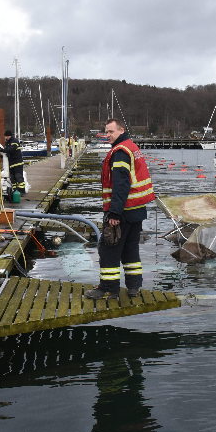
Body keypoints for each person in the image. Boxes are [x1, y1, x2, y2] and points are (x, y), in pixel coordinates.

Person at [85, 119, 155, 299]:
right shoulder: (131, 147)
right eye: (106, 132)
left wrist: (114, 213)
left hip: (122, 211)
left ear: (121, 130)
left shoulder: (120, 152)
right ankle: (133, 287)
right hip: (137, 210)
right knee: (130, 249)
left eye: (110, 132)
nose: (107, 135)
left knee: (108, 250)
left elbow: (121, 184)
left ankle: (108, 289)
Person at [2, 130, 25, 195]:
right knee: (13, 178)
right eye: (5, 136)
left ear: (9, 136)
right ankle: (15, 191)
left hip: (17, 163)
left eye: (6, 136)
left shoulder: (14, 141)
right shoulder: (8, 142)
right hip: (11, 163)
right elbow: (8, 152)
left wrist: (3, 150)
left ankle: (22, 191)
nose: (6, 138)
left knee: (18, 177)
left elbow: (11, 149)